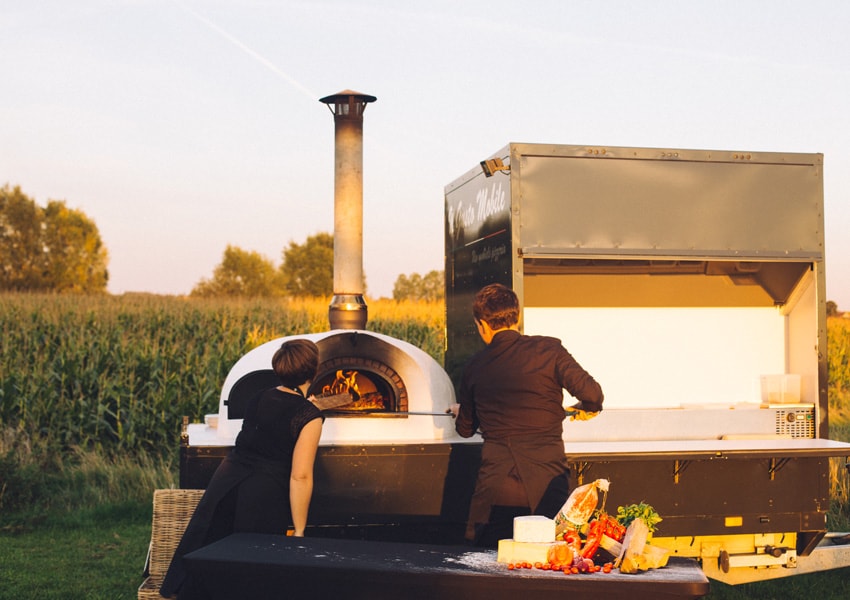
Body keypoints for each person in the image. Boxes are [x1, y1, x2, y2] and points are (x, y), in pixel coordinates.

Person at [160, 339, 324, 599]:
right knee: (251, 569)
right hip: (263, 493)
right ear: (314, 371)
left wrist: (308, 404)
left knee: (212, 552)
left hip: (227, 480)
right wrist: (300, 529)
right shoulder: (309, 416)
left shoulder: (259, 396)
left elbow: (270, 427)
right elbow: (300, 475)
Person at [452, 283, 603, 547]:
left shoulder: (474, 366)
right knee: (549, 560)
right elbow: (593, 395)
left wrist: (462, 412)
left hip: (497, 488)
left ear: (482, 325)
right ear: (517, 317)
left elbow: (465, 429)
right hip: (547, 481)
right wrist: (584, 410)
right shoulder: (550, 350)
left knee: (492, 562)